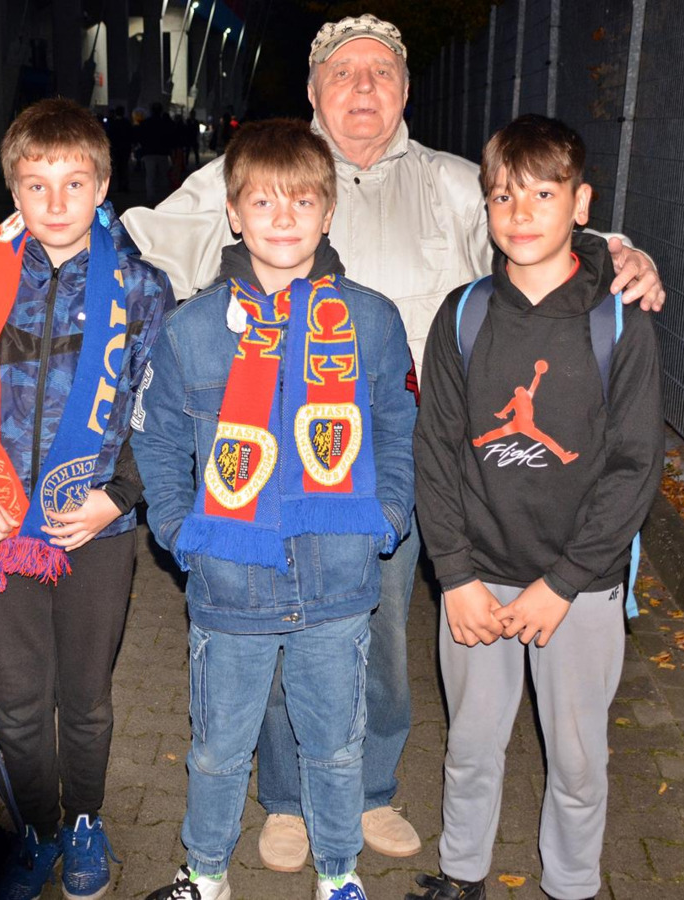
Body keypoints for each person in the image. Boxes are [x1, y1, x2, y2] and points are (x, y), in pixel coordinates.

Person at [0, 13, 667, 870]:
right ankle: (286, 802)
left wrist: (620, 253)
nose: (363, 88)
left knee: (376, 648)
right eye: (343, 73)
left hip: (389, 468)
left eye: (381, 73)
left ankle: (369, 789)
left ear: (405, 90)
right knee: (275, 654)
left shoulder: (452, 182)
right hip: (259, 469)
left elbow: (537, 226)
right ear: (315, 90)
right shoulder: (252, 169)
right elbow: (117, 230)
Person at [131, 119, 416, 900]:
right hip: (232, 585)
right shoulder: (192, 330)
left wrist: (388, 515)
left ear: (328, 212)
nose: (282, 218)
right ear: (233, 213)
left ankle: (338, 873)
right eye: (262, 201)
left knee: (336, 747)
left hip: (337, 585)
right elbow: (158, 439)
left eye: (301, 201)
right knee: (218, 749)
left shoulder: (370, 321)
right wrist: (179, 532)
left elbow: (399, 425)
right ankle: (206, 872)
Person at [0, 97, 175, 900]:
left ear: (103, 186)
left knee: (84, 701)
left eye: (73, 183)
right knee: (19, 704)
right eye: (36, 185)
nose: (55, 202)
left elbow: (165, 411)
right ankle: (37, 827)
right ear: (13, 191)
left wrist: (118, 496)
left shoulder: (142, 289)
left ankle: (84, 819)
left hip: (96, 530)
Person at [408, 114, 664, 900]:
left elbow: (634, 467)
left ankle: (572, 885)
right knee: (471, 744)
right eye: (502, 197)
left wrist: (565, 583)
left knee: (579, 760)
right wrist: (455, 576)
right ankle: (462, 874)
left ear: (581, 204)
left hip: (578, 586)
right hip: (479, 579)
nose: (520, 213)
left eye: (542, 195)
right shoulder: (463, 313)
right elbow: (436, 453)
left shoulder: (618, 320)